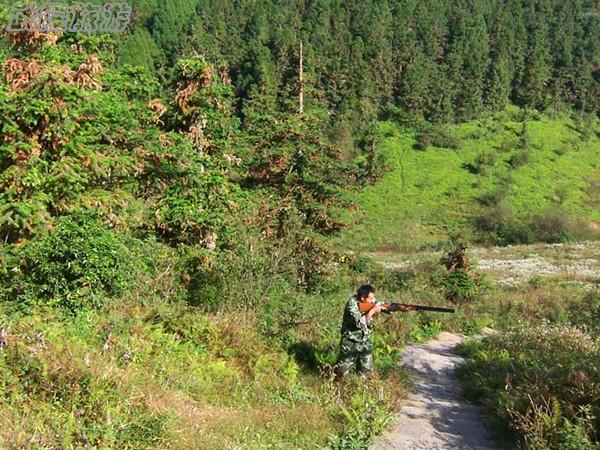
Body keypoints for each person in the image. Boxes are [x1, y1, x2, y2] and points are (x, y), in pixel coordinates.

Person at [334, 284, 409, 378]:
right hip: (350, 341)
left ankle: (364, 389)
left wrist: (399, 308)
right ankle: (336, 388)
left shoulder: (370, 301)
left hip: (364, 340)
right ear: (362, 298)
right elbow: (360, 323)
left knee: (366, 371)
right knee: (342, 372)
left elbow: (385, 306)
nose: (373, 300)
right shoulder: (351, 305)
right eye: (371, 298)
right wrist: (373, 310)